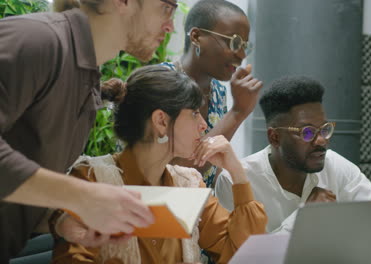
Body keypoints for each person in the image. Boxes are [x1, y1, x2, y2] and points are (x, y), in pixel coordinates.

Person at [0, 0, 177, 260]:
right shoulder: (37, 40)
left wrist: (61, 219)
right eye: (167, 7)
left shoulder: (88, 85)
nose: (171, 26)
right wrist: (80, 195)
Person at [50, 65, 267, 264]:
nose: (203, 125)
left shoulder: (189, 184)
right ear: (161, 121)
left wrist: (237, 173)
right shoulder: (91, 179)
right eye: (194, 114)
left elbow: (243, 255)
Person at [215, 76, 371, 233]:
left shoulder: (336, 166)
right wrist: (302, 219)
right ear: (275, 137)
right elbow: (242, 257)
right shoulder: (235, 182)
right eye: (307, 132)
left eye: (325, 130)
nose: (321, 141)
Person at [161, 0, 263, 188]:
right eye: (233, 42)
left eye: (244, 46)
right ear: (196, 36)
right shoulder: (162, 82)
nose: (241, 55)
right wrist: (238, 112)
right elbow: (170, 175)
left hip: (199, 210)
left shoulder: (218, 92)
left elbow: (211, 168)